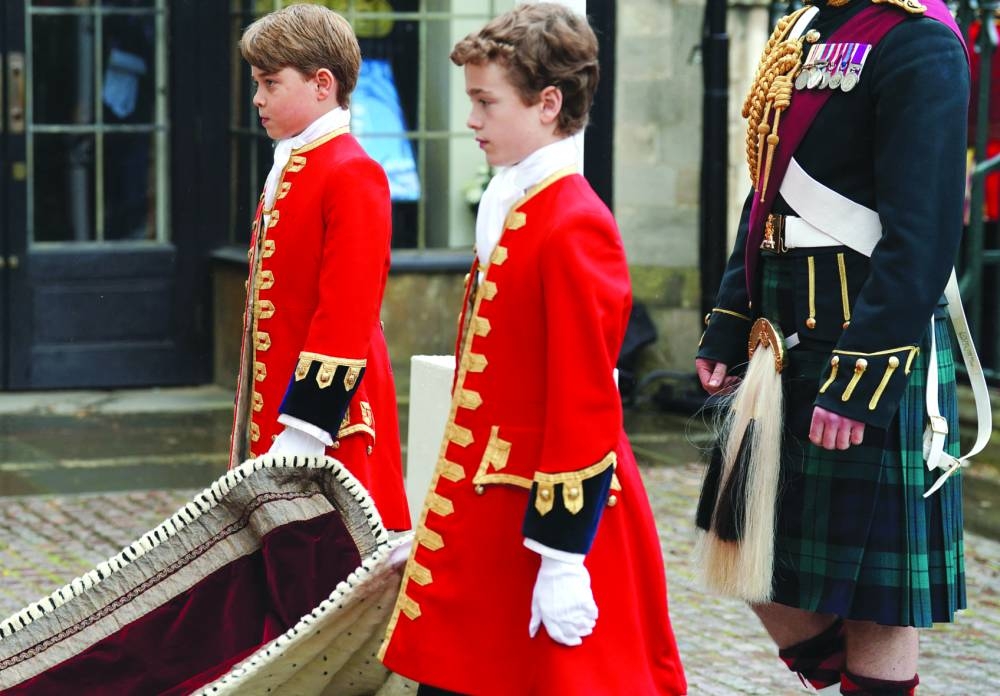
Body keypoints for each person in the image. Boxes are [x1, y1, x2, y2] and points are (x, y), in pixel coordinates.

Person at [378, 5, 687, 695]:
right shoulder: (515, 203)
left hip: (554, 514)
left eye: (487, 102)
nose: (472, 120)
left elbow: (584, 398)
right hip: (493, 509)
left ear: (548, 104)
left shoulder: (573, 223)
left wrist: (563, 557)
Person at [695, 0, 970, 694]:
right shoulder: (801, 28)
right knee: (736, 543)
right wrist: (731, 316)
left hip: (869, 340)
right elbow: (762, 195)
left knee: (879, 598)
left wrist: (862, 377)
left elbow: (922, 235)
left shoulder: (920, 42)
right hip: (780, 339)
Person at [229, 3, 410, 531]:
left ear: (321, 83)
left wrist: (308, 423)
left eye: (269, 82)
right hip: (279, 405)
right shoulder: (294, 161)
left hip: (330, 418)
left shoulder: (352, 170)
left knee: (331, 564)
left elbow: (347, 312)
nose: (258, 98)